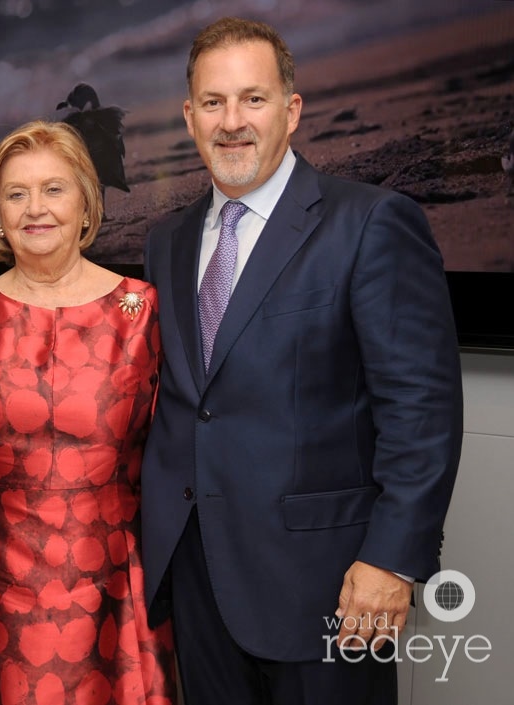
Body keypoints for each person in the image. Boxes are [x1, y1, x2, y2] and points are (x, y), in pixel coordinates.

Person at [140, 16, 463, 705]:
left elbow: (422, 411)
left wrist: (392, 558)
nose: (233, 121)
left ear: (291, 111)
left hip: (328, 583)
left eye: (253, 99)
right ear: (190, 116)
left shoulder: (371, 222)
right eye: (215, 102)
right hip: (199, 578)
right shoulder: (164, 241)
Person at [0, 120, 178, 705]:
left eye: (54, 189)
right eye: (16, 194)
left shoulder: (143, 311)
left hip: (118, 589)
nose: (35, 209)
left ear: (86, 204)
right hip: (0, 594)